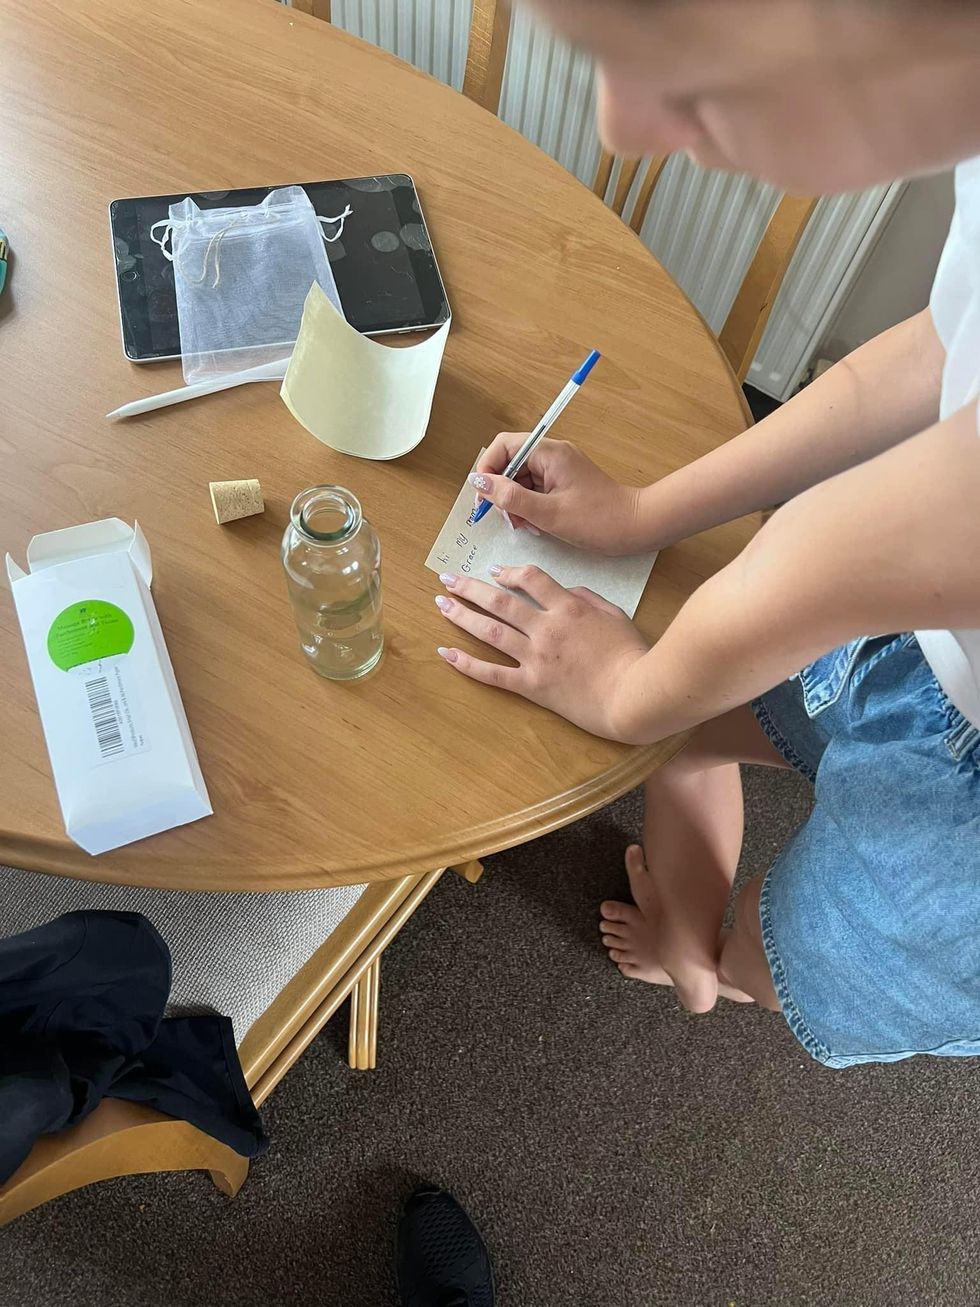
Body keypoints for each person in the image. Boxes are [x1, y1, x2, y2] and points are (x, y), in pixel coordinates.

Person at [433, 0, 980, 1068]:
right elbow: (939, 348)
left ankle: (718, 971)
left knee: (796, 957)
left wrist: (632, 688)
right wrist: (648, 510)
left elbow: (834, 561)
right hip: (926, 637)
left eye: (686, 68)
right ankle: (691, 958)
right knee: (679, 726)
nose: (620, 125)